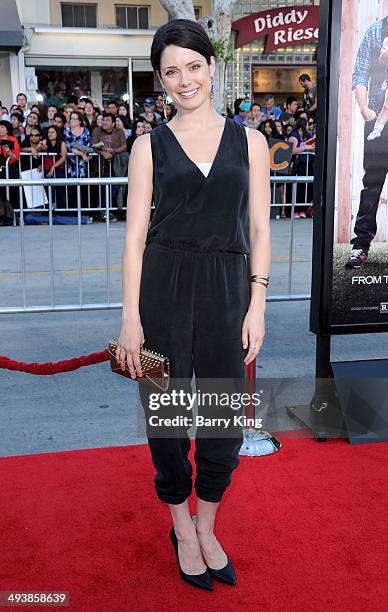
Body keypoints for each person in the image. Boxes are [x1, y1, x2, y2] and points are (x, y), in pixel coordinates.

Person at [115, 18, 270, 591]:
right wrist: (130, 317)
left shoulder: (249, 140)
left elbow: (258, 224)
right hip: (162, 287)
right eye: (171, 72)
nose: (185, 80)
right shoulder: (146, 146)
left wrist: (257, 303)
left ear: (213, 67)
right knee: (169, 417)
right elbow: (134, 237)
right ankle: (181, 528)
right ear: (160, 81)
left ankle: (208, 526)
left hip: (229, 286)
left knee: (226, 419)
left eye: (194, 66)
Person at [345, 15, 388, 268]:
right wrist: (364, 109)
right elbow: (360, 72)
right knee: (372, 182)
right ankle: (360, 246)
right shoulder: (376, 31)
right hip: (377, 116)